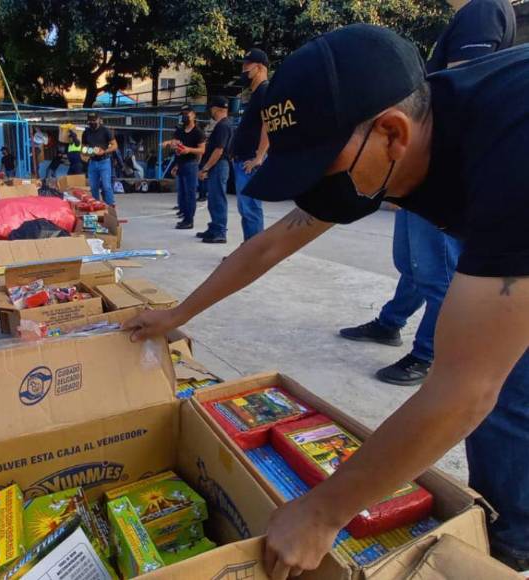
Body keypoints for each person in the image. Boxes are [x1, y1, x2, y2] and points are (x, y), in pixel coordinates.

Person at [124, 24, 529, 574]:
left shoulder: (511, 156)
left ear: (392, 134)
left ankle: (509, 545)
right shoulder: (395, 133)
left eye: (320, 169)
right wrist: (178, 313)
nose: (313, 191)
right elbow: (272, 243)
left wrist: (323, 512)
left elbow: (465, 389)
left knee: (502, 392)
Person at [339, 0, 516, 386]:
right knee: (413, 263)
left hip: (437, 169)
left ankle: (428, 354)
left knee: (437, 273)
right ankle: (391, 322)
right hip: (426, 166)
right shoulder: (472, 15)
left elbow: (465, 94)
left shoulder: (481, 10)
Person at [231, 48, 270, 241]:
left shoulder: (264, 91)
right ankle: (249, 251)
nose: (244, 69)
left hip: (249, 160)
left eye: (247, 65)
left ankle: (253, 256)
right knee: (246, 208)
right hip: (243, 158)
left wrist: (259, 157)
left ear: (260, 67)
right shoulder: (255, 94)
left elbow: (268, 124)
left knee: (251, 208)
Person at [162, 105, 206, 230]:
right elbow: (175, 144)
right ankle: (184, 216)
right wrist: (170, 144)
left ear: (193, 115)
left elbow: (202, 150)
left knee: (190, 193)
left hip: (191, 164)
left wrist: (189, 150)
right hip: (181, 163)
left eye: (187, 113)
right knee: (182, 192)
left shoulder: (198, 132)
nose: (184, 116)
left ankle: (189, 220)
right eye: (183, 113)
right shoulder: (180, 131)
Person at [197, 96, 233, 244]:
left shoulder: (223, 126)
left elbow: (219, 150)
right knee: (213, 199)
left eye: (211, 108)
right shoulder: (222, 125)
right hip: (217, 166)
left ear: (217, 109)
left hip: (219, 166)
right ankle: (214, 228)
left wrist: (205, 168)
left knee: (218, 199)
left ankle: (219, 231)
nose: (210, 111)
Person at [82, 112, 118, 206]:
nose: (92, 122)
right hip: (92, 162)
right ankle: (96, 207)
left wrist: (104, 151)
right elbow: (83, 147)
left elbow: (115, 146)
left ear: (99, 120)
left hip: (104, 162)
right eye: (90, 120)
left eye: (94, 120)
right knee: (93, 187)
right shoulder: (86, 132)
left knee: (106, 186)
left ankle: (110, 207)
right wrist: (86, 152)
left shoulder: (105, 131)